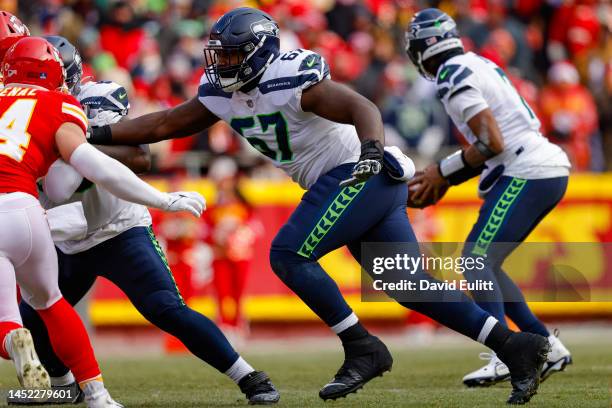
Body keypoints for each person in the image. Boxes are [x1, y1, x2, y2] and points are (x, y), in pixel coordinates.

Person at [87, 8, 551, 404]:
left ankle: (361, 345)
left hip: (357, 171)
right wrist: (91, 133)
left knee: (287, 254)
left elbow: (361, 106)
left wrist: (370, 150)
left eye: (232, 54)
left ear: (260, 53)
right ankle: (517, 347)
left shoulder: (291, 78)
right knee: (408, 283)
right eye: (220, 54)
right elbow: (163, 124)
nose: (223, 63)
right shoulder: (221, 93)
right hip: (361, 180)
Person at [18, 36, 280, 406]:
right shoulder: (18, 111)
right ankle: (64, 386)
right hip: (65, 237)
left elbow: (139, 158)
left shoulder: (93, 99)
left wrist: (74, 144)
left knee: (165, 308)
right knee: (33, 319)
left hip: (118, 228)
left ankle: (248, 375)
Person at [0, 36, 206, 407]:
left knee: (9, 318)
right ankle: (98, 397)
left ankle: (12, 340)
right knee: (52, 303)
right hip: (26, 211)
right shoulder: (60, 102)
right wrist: (162, 200)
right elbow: (98, 168)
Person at [404, 8, 572, 388]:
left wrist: (440, 172)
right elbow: (491, 146)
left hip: (526, 167)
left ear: (421, 49)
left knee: (475, 260)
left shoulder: (451, 73)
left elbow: (491, 142)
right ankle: (544, 344)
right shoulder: (473, 62)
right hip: (536, 165)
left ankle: (505, 352)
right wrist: (444, 178)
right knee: (488, 264)